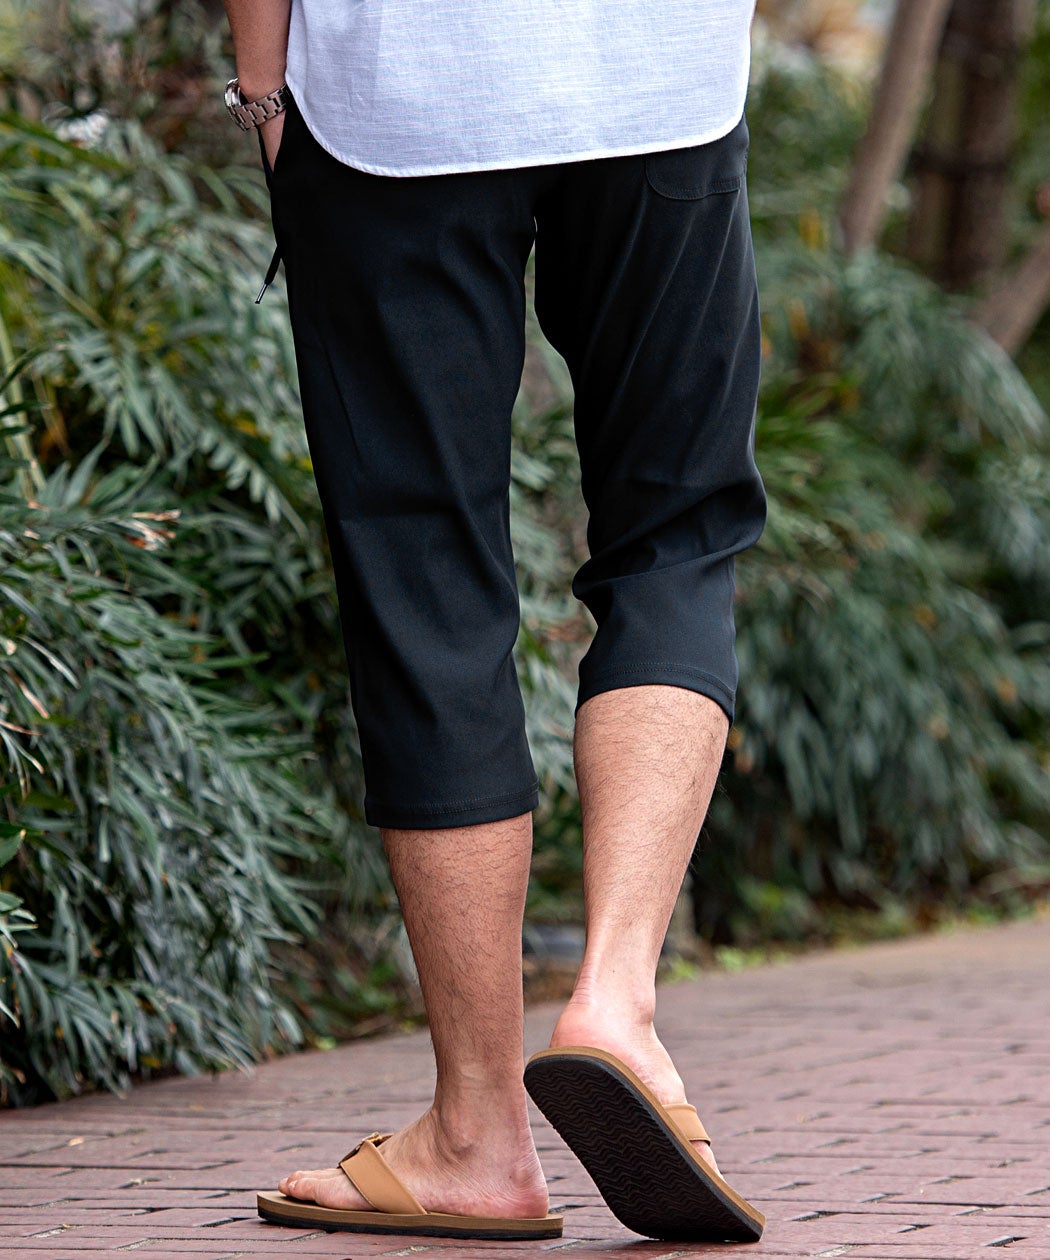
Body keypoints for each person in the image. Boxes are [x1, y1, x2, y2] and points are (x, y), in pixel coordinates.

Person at [222, 0, 767, 1243]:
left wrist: (263, 87)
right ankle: (616, 1001)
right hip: (663, 81)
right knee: (675, 536)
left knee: (422, 572)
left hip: (400, 98)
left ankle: (477, 1131)